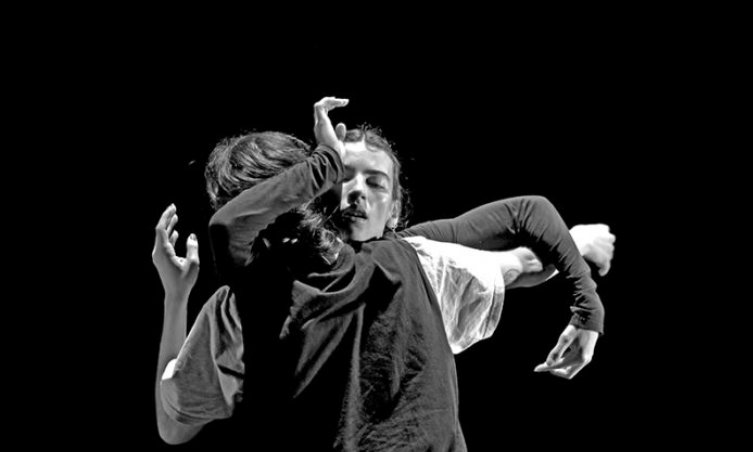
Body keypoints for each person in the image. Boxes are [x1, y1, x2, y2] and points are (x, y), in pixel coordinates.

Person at [153, 97, 615, 449]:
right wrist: (580, 266)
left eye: (375, 183)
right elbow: (524, 261)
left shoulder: (415, 256)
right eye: (342, 176)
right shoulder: (419, 262)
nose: (355, 193)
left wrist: (175, 298)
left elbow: (173, 424)